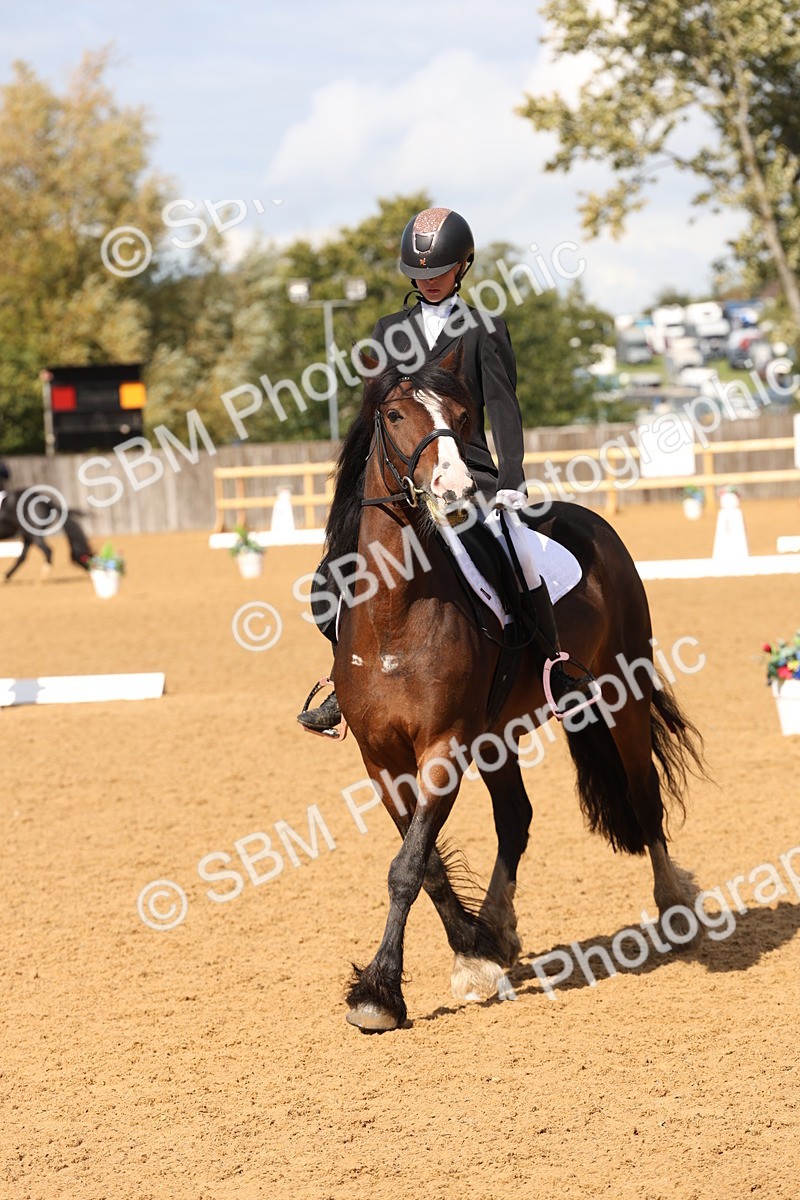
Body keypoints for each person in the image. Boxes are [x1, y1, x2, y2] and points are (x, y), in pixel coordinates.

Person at [297, 206, 595, 732]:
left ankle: (554, 667)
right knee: (330, 579)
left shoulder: (483, 328)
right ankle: (346, 678)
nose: (429, 281)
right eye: (420, 273)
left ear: (463, 266)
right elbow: (377, 415)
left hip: (466, 474)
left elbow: (502, 407)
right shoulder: (389, 331)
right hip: (402, 479)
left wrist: (511, 479)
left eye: (439, 271)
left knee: (520, 552)